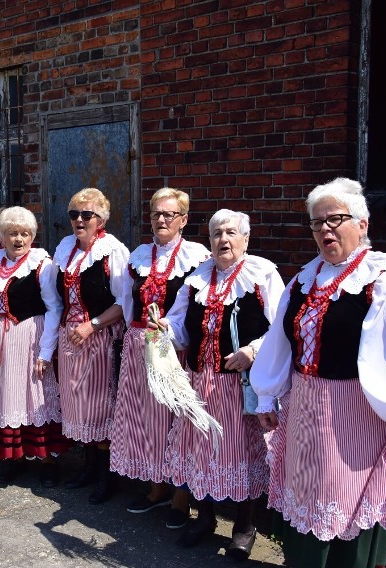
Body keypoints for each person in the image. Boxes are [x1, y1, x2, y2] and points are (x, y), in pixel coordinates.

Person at [250, 178, 386, 568]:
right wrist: (267, 395)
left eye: (334, 219)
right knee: (305, 497)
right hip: (303, 408)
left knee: (344, 504)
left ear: (362, 224)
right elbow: (279, 342)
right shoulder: (303, 281)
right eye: (317, 223)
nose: (324, 230)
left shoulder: (384, 285)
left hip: (356, 415)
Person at [159, 209, 285, 558]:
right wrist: (165, 330)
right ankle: (205, 518)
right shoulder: (197, 277)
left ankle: (245, 526)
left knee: (238, 454)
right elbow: (181, 327)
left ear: (246, 239)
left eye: (231, 233)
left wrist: (253, 350)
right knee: (201, 453)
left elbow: (282, 327)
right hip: (200, 382)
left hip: (237, 387)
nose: (223, 240)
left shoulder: (262, 274)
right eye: (216, 233)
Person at [108, 188, 210, 529]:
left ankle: (181, 497)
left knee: (175, 419)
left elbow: (200, 306)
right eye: (156, 214)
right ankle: (157, 487)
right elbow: (126, 300)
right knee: (146, 418)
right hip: (139, 342)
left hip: (172, 346)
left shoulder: (197, 256)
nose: (162, 220)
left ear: (183, 219)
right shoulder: (138, 254)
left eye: (169, 214)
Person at [0, 206, 69, 487]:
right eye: (12, 234)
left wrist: (46, 351)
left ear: (32, 236)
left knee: (33, 399)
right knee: (3, 398)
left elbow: (54, 309)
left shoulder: (41, 265)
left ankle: (47, 460)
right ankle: (13, 457)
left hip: (28, 340)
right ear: (2, 236)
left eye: (24, 234)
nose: (19, 239)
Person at [54, 187, 130, 504]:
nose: (79, 220)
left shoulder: (113, 251)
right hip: (71, 340)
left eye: (87, 215)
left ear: (101, 219)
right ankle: (88, 467)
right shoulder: (66, 248)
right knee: (79, 407)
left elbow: (125, 303)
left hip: (99, 338)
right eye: (74, 215)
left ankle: (106, 477)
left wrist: (92, 325)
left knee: (101, 408)